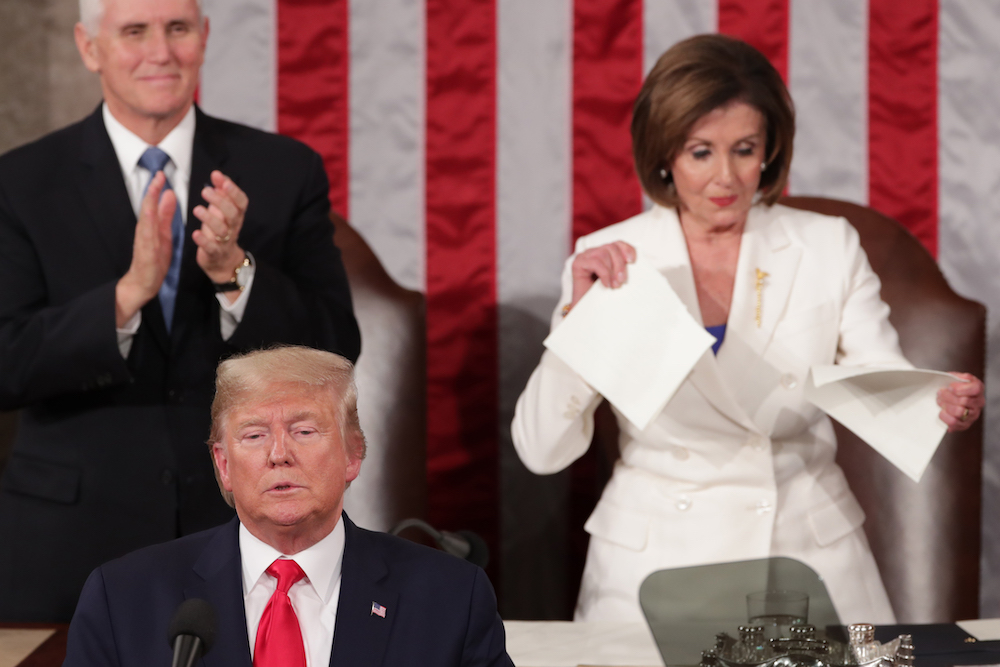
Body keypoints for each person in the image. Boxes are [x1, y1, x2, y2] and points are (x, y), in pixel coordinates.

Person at [511, 34, 985, 625]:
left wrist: (930, 403)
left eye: (744, 148)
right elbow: (540, 450)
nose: (727, 177)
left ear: (770, 150)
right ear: (664, 155)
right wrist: (578, 328)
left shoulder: (827, 245)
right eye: (700, 152)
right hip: (656, 562)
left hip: (804, 554)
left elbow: (878, 382)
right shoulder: (611, 258)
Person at [0, 0, 360, 621]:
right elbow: (7, 362)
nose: (160, 51)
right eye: (134, 32)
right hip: (67, 542)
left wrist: (235, 273)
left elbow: (333, 348)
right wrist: (125, 296)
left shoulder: (282, 169)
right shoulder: (22, 180)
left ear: (204, 37)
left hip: (241, 528)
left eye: (177, 29)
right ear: (90, 48)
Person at [63, 346, 513, 667]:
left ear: (353, 454)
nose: (279, 454)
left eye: (304, 430)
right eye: (254, 435)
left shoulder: (451, 597)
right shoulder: (123, 598)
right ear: (223, 465)